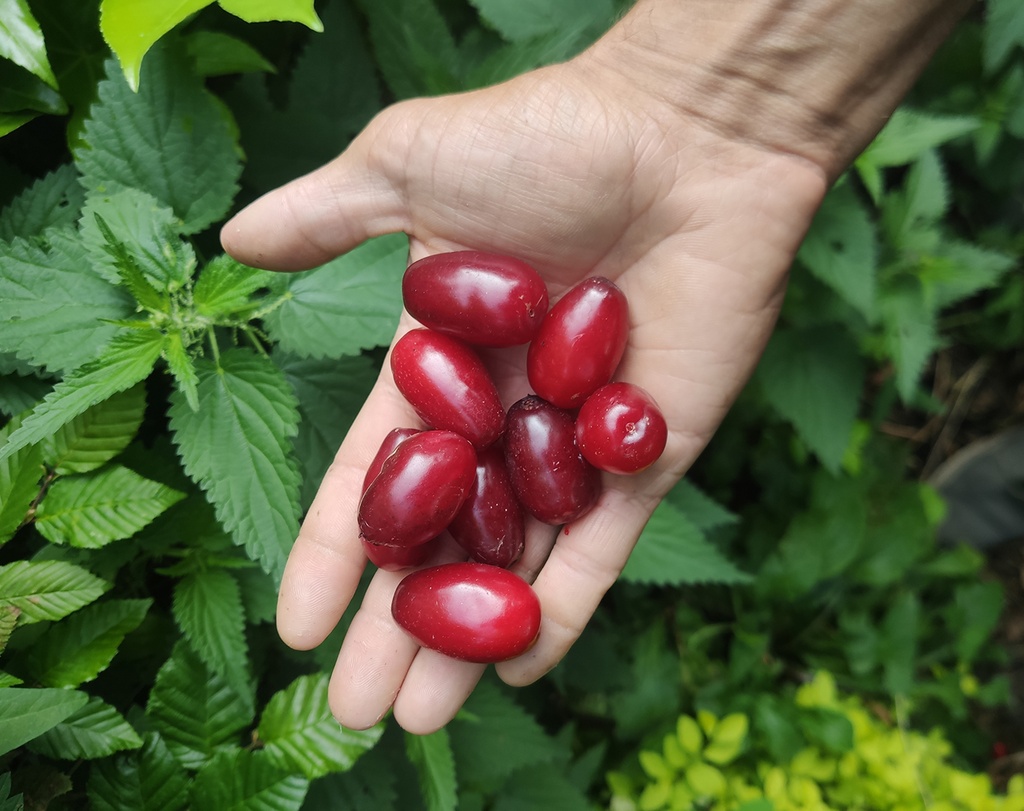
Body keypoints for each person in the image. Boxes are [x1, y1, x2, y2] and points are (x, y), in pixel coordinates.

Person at [220, 0, 974, 734]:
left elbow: (470, 450)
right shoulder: (498, 421)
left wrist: (718, 110)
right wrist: (730, 109)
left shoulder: (522, 404)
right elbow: (451, 467)